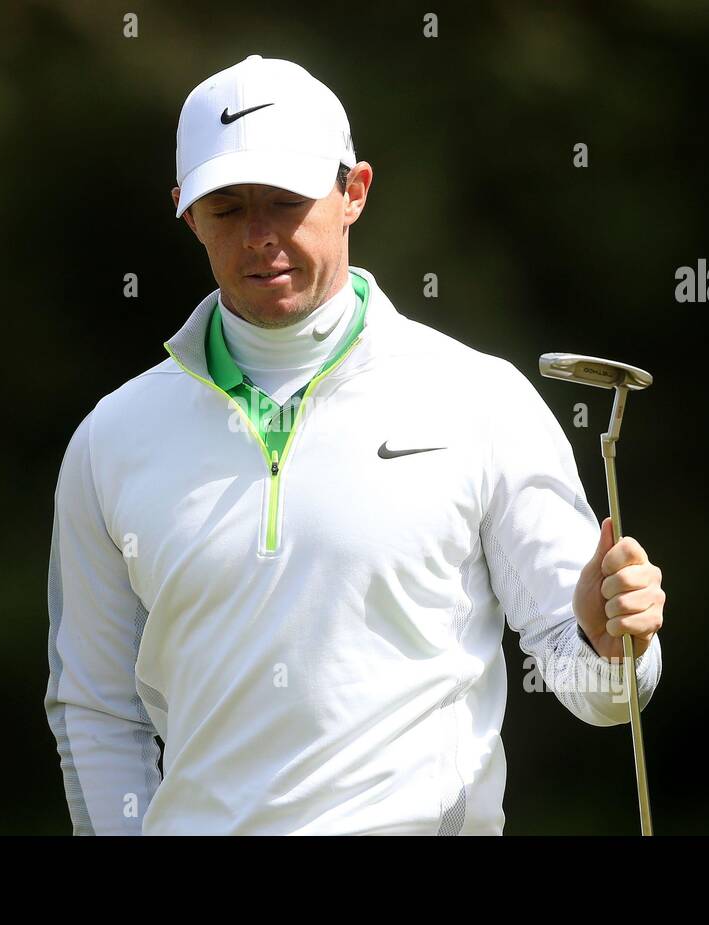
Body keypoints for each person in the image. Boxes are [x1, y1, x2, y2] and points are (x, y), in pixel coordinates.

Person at [44, 54, 666, 835]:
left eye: (286, 199)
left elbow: (598, 687)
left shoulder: (480, 398)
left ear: (354, 192)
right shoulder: (112, 437)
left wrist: (613, 646)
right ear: (184, 211)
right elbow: (97, 710)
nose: (260, 236)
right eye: (227, 208)